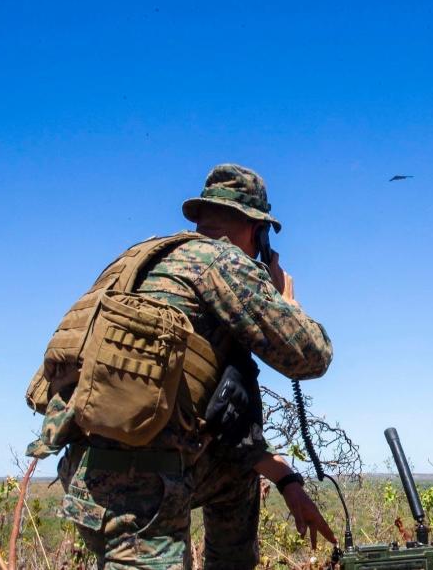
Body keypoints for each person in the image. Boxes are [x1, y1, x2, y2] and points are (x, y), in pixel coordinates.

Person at [27, 163, 337, 569]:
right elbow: (311, 356)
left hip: (84, 478)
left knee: (234, 477)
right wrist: (289, 305)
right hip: (143, 492)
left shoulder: (139, 259)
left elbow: (224, 430)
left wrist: (287, 481)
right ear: (257, 230)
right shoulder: (221, 261)